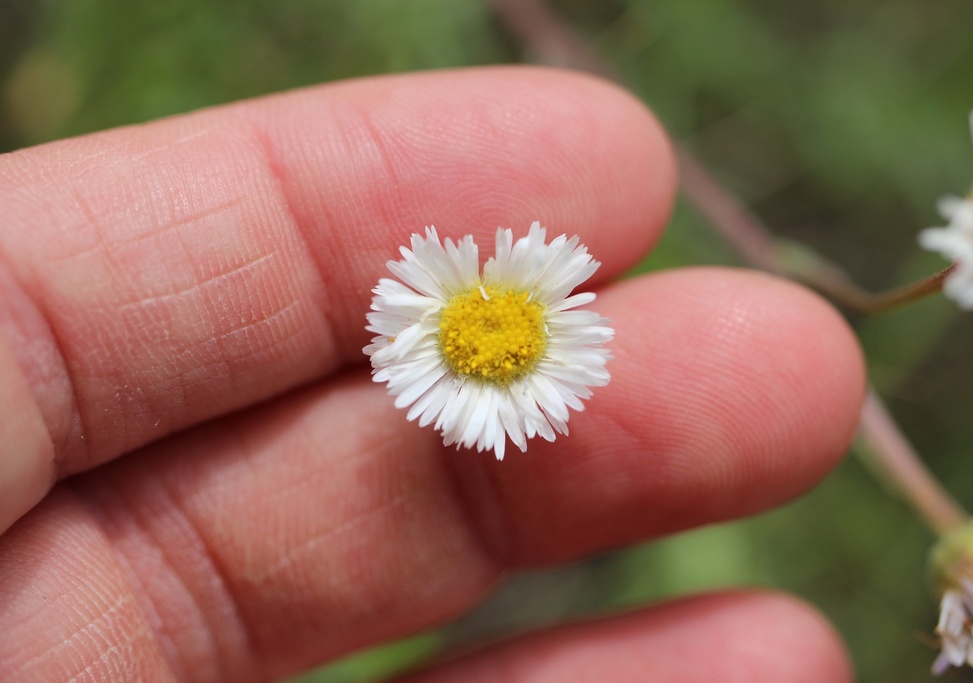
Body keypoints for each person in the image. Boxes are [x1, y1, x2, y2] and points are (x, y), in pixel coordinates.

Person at [0, 67, 865, 682]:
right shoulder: (450, 320)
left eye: (499, 326)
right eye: (490, 322)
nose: (493, 328)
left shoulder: (523, 333)